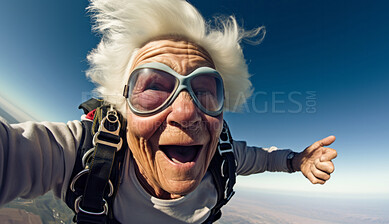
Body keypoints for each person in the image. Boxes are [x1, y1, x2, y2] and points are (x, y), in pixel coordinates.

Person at [0, 0, 337, 223]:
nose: (186, 111)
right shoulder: (81, 154)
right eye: (153, 88)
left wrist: (298, 161)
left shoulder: (223, 156)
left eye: (205, 91)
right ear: (123, 105)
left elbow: (264, 159)